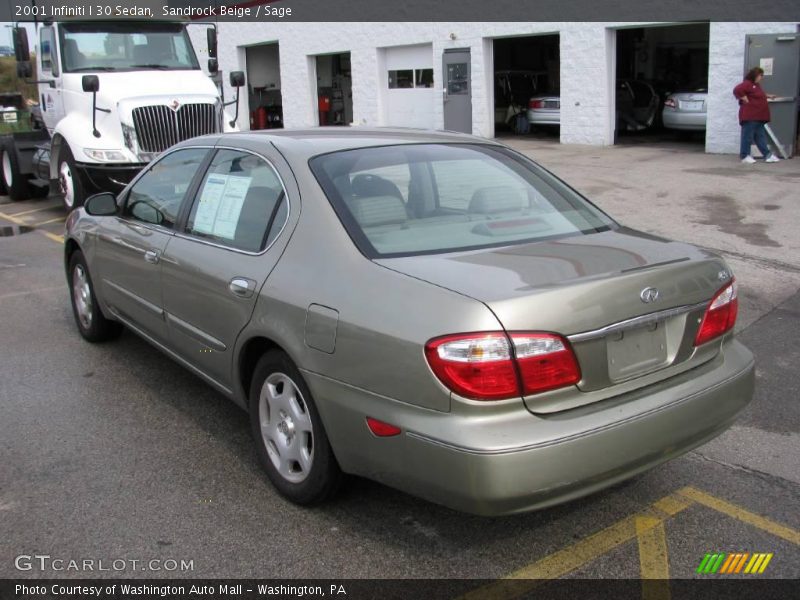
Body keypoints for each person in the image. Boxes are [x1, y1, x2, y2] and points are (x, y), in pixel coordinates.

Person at [733, 67, 780, 164]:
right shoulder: (747, 84)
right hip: (750, 116)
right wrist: (743, 97)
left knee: (760, 137)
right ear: (755, 75)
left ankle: (767, 155)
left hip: (758, 116)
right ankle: (745, 155)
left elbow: (757, 94)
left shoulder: (756, 85)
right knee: (748, 136)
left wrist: (768, 95)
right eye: (760, 75)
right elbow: (737, 89)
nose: (761, 77)